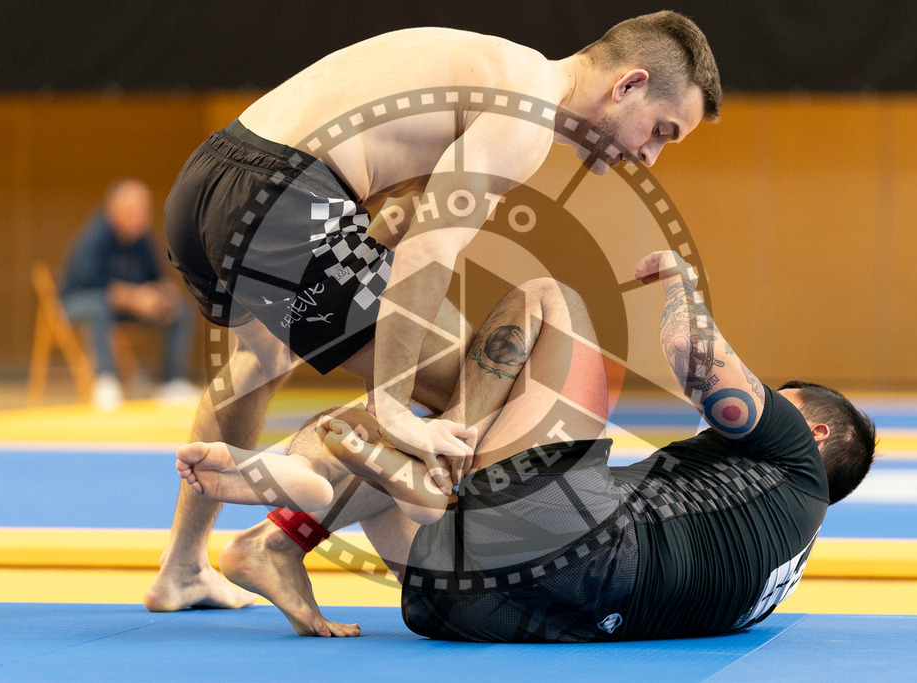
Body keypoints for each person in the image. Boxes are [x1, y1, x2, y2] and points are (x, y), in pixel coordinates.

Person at [149, 10, 723, 611]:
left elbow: (397, 219)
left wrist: (364, 306)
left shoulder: (493, 65)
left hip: (207, 181)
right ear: (627, 85)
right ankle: (278, 526)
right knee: (487, 379)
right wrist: (393, 407)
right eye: (661, 130)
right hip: (286, 199)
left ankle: (183, 568)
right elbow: (430, 247)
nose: (650, 156)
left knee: (258, 359)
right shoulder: (524, 114)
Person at [175, 250, 877, 640]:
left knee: (549, 297)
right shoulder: (779, 570)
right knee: (432, 451)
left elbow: (692, 354)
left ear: (813, 429)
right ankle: (321, 519)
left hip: (578, 541)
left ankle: (433, 464)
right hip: (473, 609)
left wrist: (680, 284)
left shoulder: (790, 455)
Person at [60, 179, 197, 410]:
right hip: (78, 304)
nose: (142, 217)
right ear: (114, 210)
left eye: (145, 210)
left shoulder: (142, 240)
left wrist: (164, 294)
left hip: (122, 310)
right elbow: (93, 286)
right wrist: (135, 298)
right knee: (100, 305)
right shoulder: (96, 237)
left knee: (180, 308)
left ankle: (171, 383)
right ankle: (105, 381)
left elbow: (156, 280)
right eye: (134, 211)